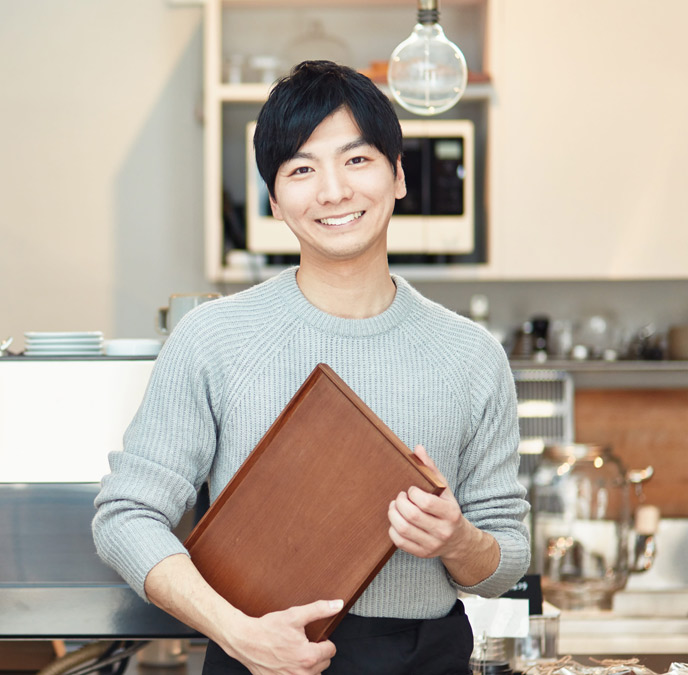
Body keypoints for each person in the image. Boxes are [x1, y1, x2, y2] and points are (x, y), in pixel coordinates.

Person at [92, 60, 529, 675]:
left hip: (429, 656)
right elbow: (126, 516)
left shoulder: (472, 353)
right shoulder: (213, 338)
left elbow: (506, 555)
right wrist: (238, 633)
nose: (333, 191)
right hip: (257, 654)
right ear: (275, 200)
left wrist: (458, 540)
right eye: (302, 169)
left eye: (357, 160)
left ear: (398, 175)